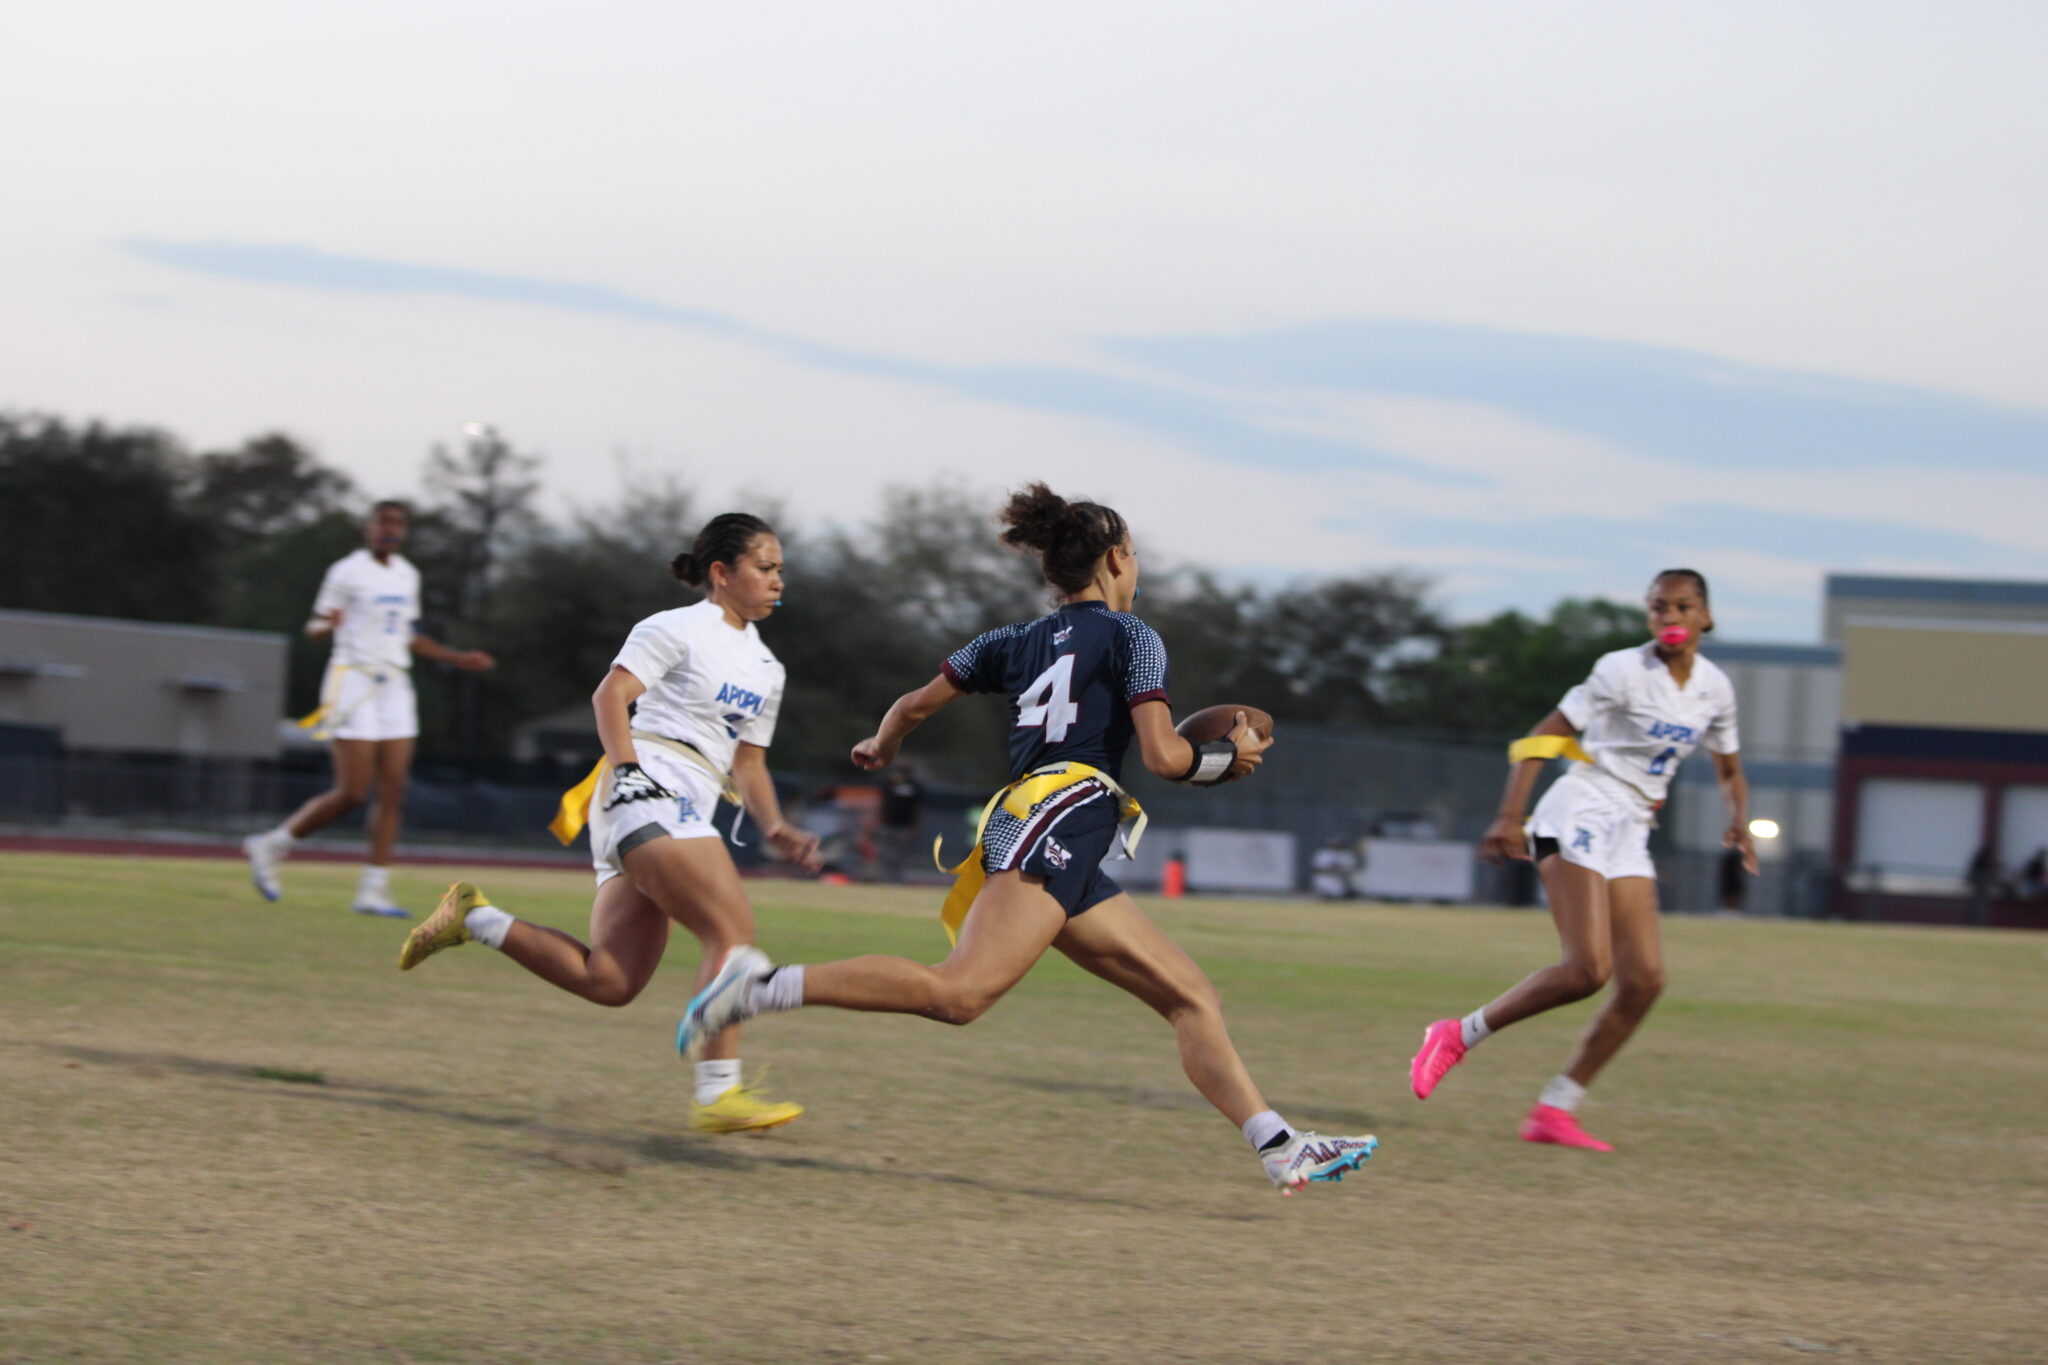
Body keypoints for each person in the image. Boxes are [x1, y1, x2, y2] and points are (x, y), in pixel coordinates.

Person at [673, 483, 1378, 1193]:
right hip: (1062, 813)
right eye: (1133, 555)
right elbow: (1166, 757)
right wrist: (1226, 757)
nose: (1135, 568)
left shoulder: (1010, 640)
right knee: (959, 994)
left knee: (1191, 995)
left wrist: (880, 744)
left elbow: (912, 705)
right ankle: (760, 985)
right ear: (1116, 559)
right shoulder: (1133, 636)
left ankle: (1279, 1145)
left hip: (1049, 818)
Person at [395, 513, 822, 1134]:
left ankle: (473, 918)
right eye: (764, 567)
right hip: (648, 783)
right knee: (732, 932)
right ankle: (718, 1093)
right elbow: (610, 697)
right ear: (722, 572)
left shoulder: (767, 668)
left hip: (681, 802)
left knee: (610, 980)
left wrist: (775, 825)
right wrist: (627, 771)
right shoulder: (675, 627)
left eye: (780, 569)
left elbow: (749, 762)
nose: (777, 581)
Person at [1409, 568, 1753, 1152]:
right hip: (1581, 807)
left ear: (1705, 616)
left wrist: (1739, 818)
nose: (1669, 617)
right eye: (1658, 607)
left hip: (1631, 827)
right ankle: (1456, 1035)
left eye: (1682, 606)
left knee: (1643, 982)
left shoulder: (1715, 688)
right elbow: (1544, 735)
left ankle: (1555, 1109)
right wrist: (1509, 815)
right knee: (1587, 971)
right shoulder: (1620, 669)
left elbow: (1729, 768)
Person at [242, 500, 494, 916]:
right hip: (353, 680)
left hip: (394, 684)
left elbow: (407, 633)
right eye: (382, 522)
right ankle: (272, 844)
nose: (390, 529)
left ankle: (373, 891)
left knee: (394, 789)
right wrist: (328, 624)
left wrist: (454, 657)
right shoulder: (346, 571)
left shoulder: (407, 573)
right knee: (353, 792)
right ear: (369, 528)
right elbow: (314, 626)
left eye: (397, 523)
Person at [872, 762, 926, 882]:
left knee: (900, 854)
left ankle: (897, 878)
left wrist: (916, 826)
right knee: (884, 852)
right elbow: (881, 804)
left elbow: (918, 809)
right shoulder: (888, 785)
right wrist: (876, 821)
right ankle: (884, 877)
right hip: (887, 825)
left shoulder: (915, 787)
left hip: (904, 826)